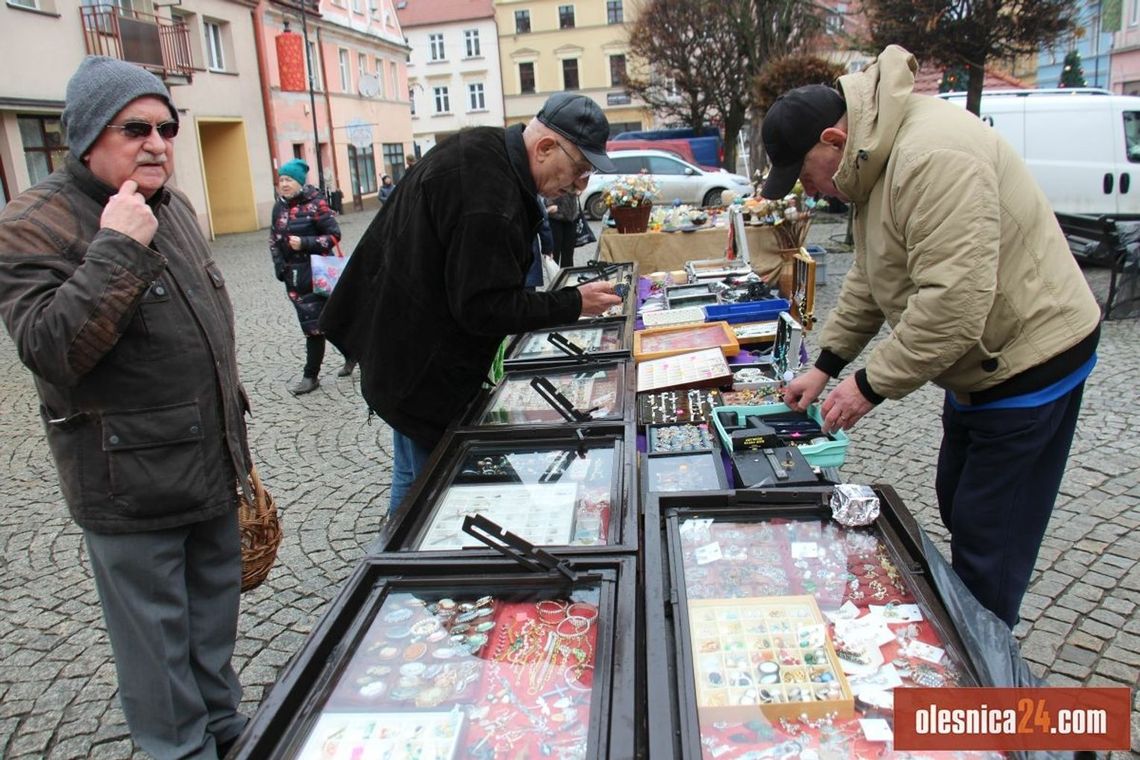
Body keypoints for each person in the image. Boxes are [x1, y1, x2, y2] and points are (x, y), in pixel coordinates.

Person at [765, 45, 1101, 628]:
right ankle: (968, 609)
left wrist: (866, 386)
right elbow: (873, 277)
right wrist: (826, 365)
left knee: (989, 529)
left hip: (1029, 359)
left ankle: (985, 660)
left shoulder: (930, 155)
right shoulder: (875, 160)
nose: (811, 194)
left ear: (834, 141)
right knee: (954, 493)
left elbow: (955, 304)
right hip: (980, 368)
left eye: (806, 177)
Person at [0, 56, 251, 758]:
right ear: (85, 136)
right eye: (135, 127)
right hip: (128, 483)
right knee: (156, 650)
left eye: (167, 126)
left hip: (209, 461)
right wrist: (115, 247)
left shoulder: (174, 207)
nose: (157, 142)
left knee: (212, 627)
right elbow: (52, 350)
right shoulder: (33, 221)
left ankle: (225, 730)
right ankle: (179, 748)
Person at [322, 93, 623, 512]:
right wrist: (572, 303)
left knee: (412, 477)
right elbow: (484, 308)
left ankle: (396, 554)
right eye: (579, 171)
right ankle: (408, 572)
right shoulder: (488, 195)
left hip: (398, 348)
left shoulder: (484, 147)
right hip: (418, 368)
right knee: (429, 494)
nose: (578, 186)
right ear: (545, 147)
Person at [270, 158, 353, 394]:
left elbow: (334, 235)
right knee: (322, 321)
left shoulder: (316, 204)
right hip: (293, 277)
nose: (284, 184)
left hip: (317, 273)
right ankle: (351, 353)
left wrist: (304, 243)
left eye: (289, 180)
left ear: (299, 182)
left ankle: (310, 376)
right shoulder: (279, 207)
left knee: (313, 326)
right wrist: (280, 268)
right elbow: (273, 240)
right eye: (281, 180)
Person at [546, 191, 580, 268]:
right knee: (554, 253)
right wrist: (549, 205)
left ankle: (567, 277)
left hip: (571, 217)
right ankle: (555, 277)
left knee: (568, 254)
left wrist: (578, 190)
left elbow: (579, 188)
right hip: (555, 217)